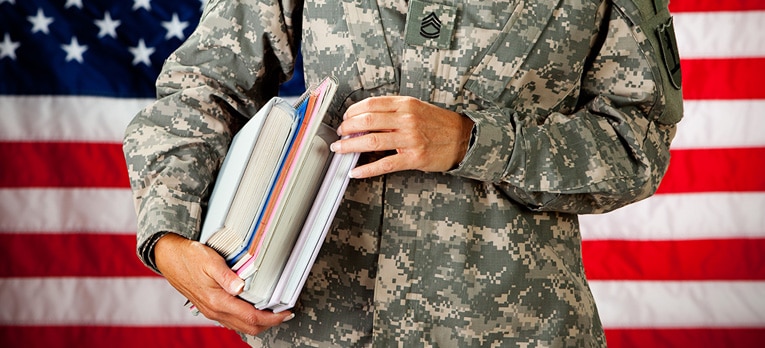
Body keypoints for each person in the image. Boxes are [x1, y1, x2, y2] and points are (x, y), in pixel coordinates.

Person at [123, 0, 683, 346]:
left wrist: (475, 140)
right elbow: (201, 91)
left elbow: (637, 144)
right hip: (319, 327)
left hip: (512, 332)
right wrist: (168, 236)